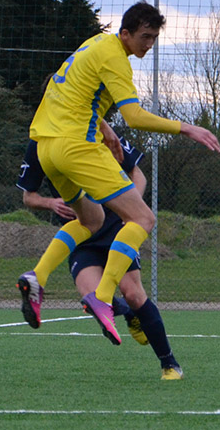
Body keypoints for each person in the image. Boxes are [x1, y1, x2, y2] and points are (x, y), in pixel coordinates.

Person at [17, 0, 220, 380]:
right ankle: (102, 296)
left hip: (47, 148)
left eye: (154, 38)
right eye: (145, 36)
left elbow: (71, 94)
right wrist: (187, 128)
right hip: (78, 147)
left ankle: (37, 278)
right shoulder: (116, 58)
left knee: (91, 220)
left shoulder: (92, 45)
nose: (149, 44)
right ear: (125, 33)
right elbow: (135, 117)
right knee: (143, 218)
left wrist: (104, 126)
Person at [17, 133, 184, 379]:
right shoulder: (41, 141)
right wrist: (51, 203)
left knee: (133, 293)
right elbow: (28, 196)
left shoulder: (97, 129)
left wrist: (131, 208)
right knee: (93, 298)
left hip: (118, 230)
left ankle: (170, 364)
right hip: (81, 236)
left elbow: (137, 174)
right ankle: (128, 313)